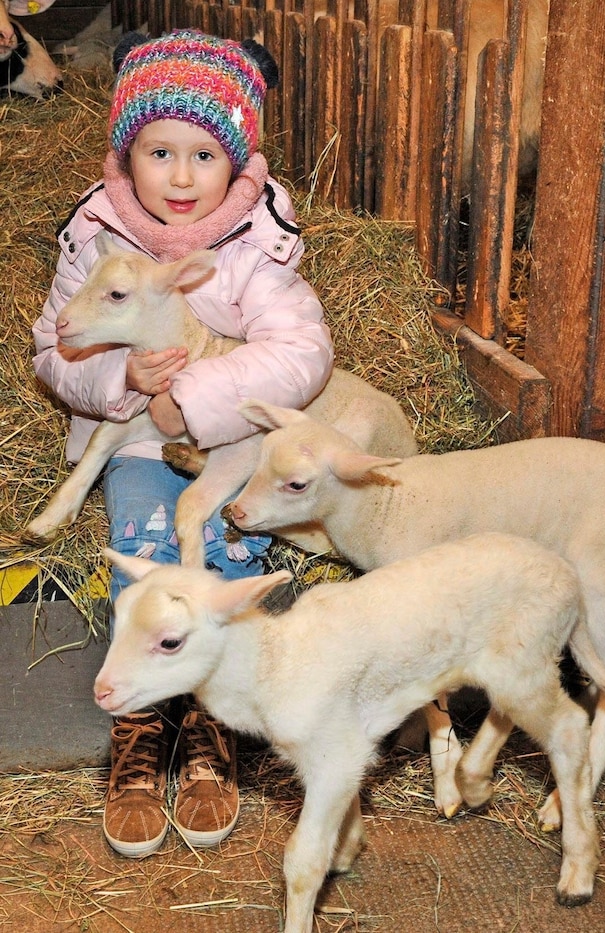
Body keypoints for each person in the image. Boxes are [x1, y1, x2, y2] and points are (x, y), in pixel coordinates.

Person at [32, 30, 333, 859]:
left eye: (204, 156)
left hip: (236, 442)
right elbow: (52, 351)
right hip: (130, 441)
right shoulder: (96, 233)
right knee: (144, 547)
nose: (180, 177)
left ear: (236, 162)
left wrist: (192, 402)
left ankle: (209, 715)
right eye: (158, 152)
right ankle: (139, 720)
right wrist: (122, 375)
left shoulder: (256, 246)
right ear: (125, 154)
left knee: (229, 550)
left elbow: (303, 353)